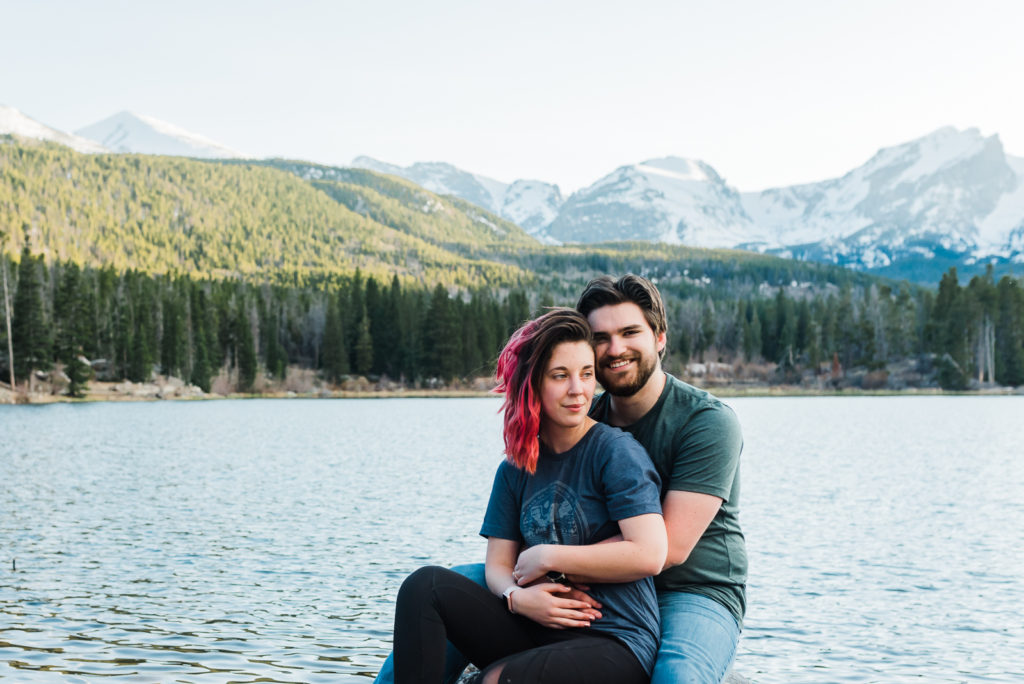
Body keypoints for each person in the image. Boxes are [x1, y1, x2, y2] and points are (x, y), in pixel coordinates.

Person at [375, 275, 746, 684]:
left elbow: (665, 549)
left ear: (659, 338)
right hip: (578, 576)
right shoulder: (578, 414)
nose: (615, 349)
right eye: (601, 338)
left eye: (629, 332)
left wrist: (547, 562)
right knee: (440, 587)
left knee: (678, 675)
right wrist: (517, 595)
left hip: (689, 589)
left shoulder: (705, 423)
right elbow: (514, 542)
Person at [390, 308, 667, 683]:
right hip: (535, 625)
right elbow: (498, 565)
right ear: (533, 384)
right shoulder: (515, 468)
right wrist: (517, 598)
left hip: (613, 638)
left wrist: (547, 556)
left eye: (587, 374)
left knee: (496, 680)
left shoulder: (615, 453)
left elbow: (649, 553)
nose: (578, 389)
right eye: (560, 376)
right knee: (425, 587)